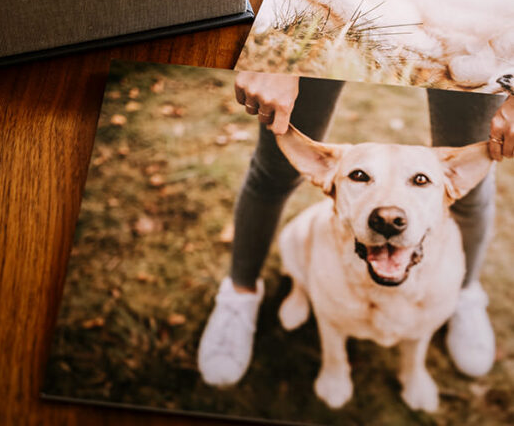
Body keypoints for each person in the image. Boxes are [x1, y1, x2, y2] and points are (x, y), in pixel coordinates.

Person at [198, 71, 514, 386]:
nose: (389, 213)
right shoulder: (325, 174)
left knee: (474, 200)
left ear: (453, 177)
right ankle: (252, 294)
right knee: (274, 173)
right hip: (321, 31)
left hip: (482, 44)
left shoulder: (457, 180)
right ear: (326, 175)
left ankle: (462, 298)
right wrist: (275, 61)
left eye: (420, 180)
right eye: (361, 176)